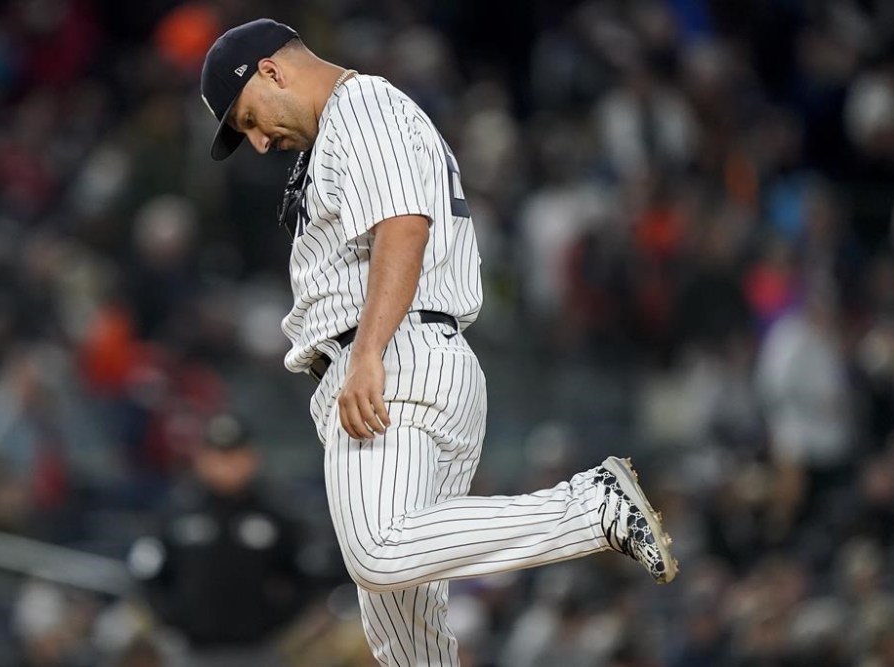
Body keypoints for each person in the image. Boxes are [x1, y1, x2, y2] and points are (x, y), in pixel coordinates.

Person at [200, 18, 678, 665]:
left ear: (272, 71)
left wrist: (367, 352)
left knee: (378, 549)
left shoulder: (358, 104)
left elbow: (404, 224)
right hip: (411, 354)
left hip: (391, 358)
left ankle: (592, 507)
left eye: (249, 118)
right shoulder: (347, 126)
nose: (257, 142)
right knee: (406, 636)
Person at [127, 412, 312, 667]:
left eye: (235, 454)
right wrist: (175, 620)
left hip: (258, 650)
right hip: (192, 652)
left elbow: (303, 573)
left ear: (252, 457)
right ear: (202, 458)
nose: (227, 464)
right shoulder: (177, 512)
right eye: (219, 455)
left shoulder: (274, 514)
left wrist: (275, 620)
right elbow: (146, 572)